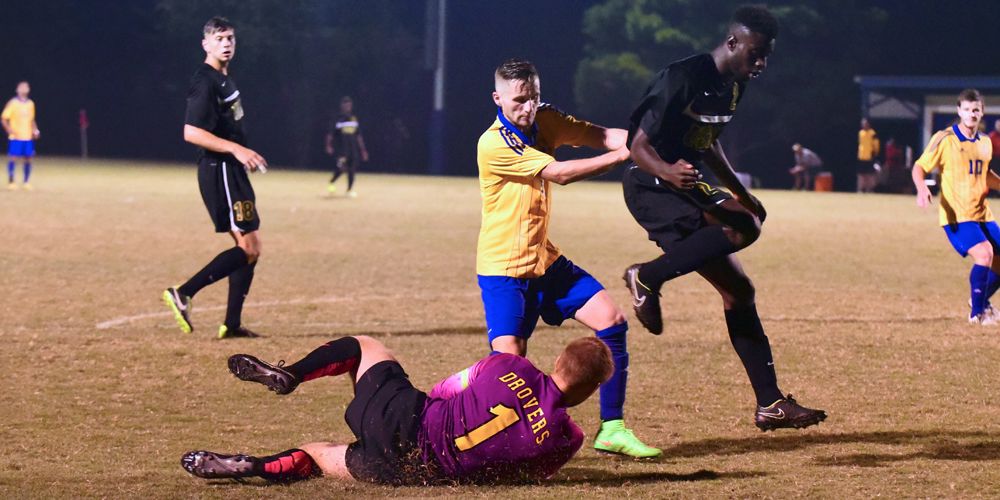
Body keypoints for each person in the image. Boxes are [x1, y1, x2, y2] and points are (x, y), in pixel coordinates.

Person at [620, 5, 826, 431]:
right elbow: (636, 145)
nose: (761, 64)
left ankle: (770, 404)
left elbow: (707, 142)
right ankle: (646, 277)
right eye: (755, 53)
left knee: (740, 290)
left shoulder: (733, 84)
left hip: (685, 185)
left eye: (766, 55)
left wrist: (739, 191)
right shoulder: (683, 77)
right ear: (732, 43)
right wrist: (666, 170)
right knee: (743, 228)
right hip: (651, 186)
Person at [475, 58, 660, 457]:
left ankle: (611, 428)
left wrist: (649, 141)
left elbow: (604, 135)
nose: (528, 108)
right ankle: (503, 448)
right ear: (498, 98)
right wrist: (626, 156)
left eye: (534, 98)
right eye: (520, 100)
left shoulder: (546, 119)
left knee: (611, 321)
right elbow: (558, 173)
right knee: (510, 368)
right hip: (505, 269)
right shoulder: (493, 143)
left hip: (545, 260)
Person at [181, 335, 613, 484]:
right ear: (592, 390)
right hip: (414, 472)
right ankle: (254, 466)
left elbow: (446, 388)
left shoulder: (509, 365)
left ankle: (291, 374)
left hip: (406, 417)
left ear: (557, 362)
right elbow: (527, 473)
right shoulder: (567, 438)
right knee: (316, 454)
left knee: (364, 347)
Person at [161, 17, 268, 339]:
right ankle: (183, 293)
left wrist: (241, 153)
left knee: (251, 245)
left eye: (231, 38)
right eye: (219, 38)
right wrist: (236, 150)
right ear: (205, 44)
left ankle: (231, 324)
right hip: (219, 170)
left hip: (231, 171)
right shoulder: (204, 81)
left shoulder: (226, 78)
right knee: (248, 246)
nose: (226, 43)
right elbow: (191, 132)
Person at [912, 89, 999, 325]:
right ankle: (977, 315)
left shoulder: (985, 141)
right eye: (967, 110)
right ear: (959, 111)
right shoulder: (945, 138)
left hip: (982, 213)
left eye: (976, 110)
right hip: (956, 216)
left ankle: (980, 302)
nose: (972, 114)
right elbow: (919, 167)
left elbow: (985, 174)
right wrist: (921, 187)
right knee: (984, 254)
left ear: (982, 112)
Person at [325, 96, 369, 197]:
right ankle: (331, 182)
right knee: (341, 168)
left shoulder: (354, 119)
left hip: (353, 149)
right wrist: (328, 145)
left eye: (349, 105)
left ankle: (349, 190)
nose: (347, 107)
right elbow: (330, 134)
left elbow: (358, 136)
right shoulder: (337, 118)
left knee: (352, 169)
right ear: (342, 106)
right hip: (341, 150)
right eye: (346, 105)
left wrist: (363, 150)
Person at [2, 81, 39, 190]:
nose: (23, 89)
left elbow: (32, 120)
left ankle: (26, 182)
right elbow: (4, 118)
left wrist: (35, 130)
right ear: (17, 89)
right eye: (21, 87)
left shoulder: (30, 104)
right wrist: (9, 130)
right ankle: (11, 181)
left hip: (27, 137)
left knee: (28, 158)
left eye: (26, 87)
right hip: (16, 137)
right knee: (13, 158)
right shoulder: (13, 103)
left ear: (28, 89)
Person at [857, 118, 880, 193]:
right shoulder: (860, 133)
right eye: (863, 124)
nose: (864, 125)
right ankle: (861, 188)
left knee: (870, 174)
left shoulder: (872, 133)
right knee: (861, 174)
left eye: (865, 124)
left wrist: (875, 153)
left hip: (870, 156)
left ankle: (870, 189)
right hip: (861, 156)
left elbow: (876, 144)